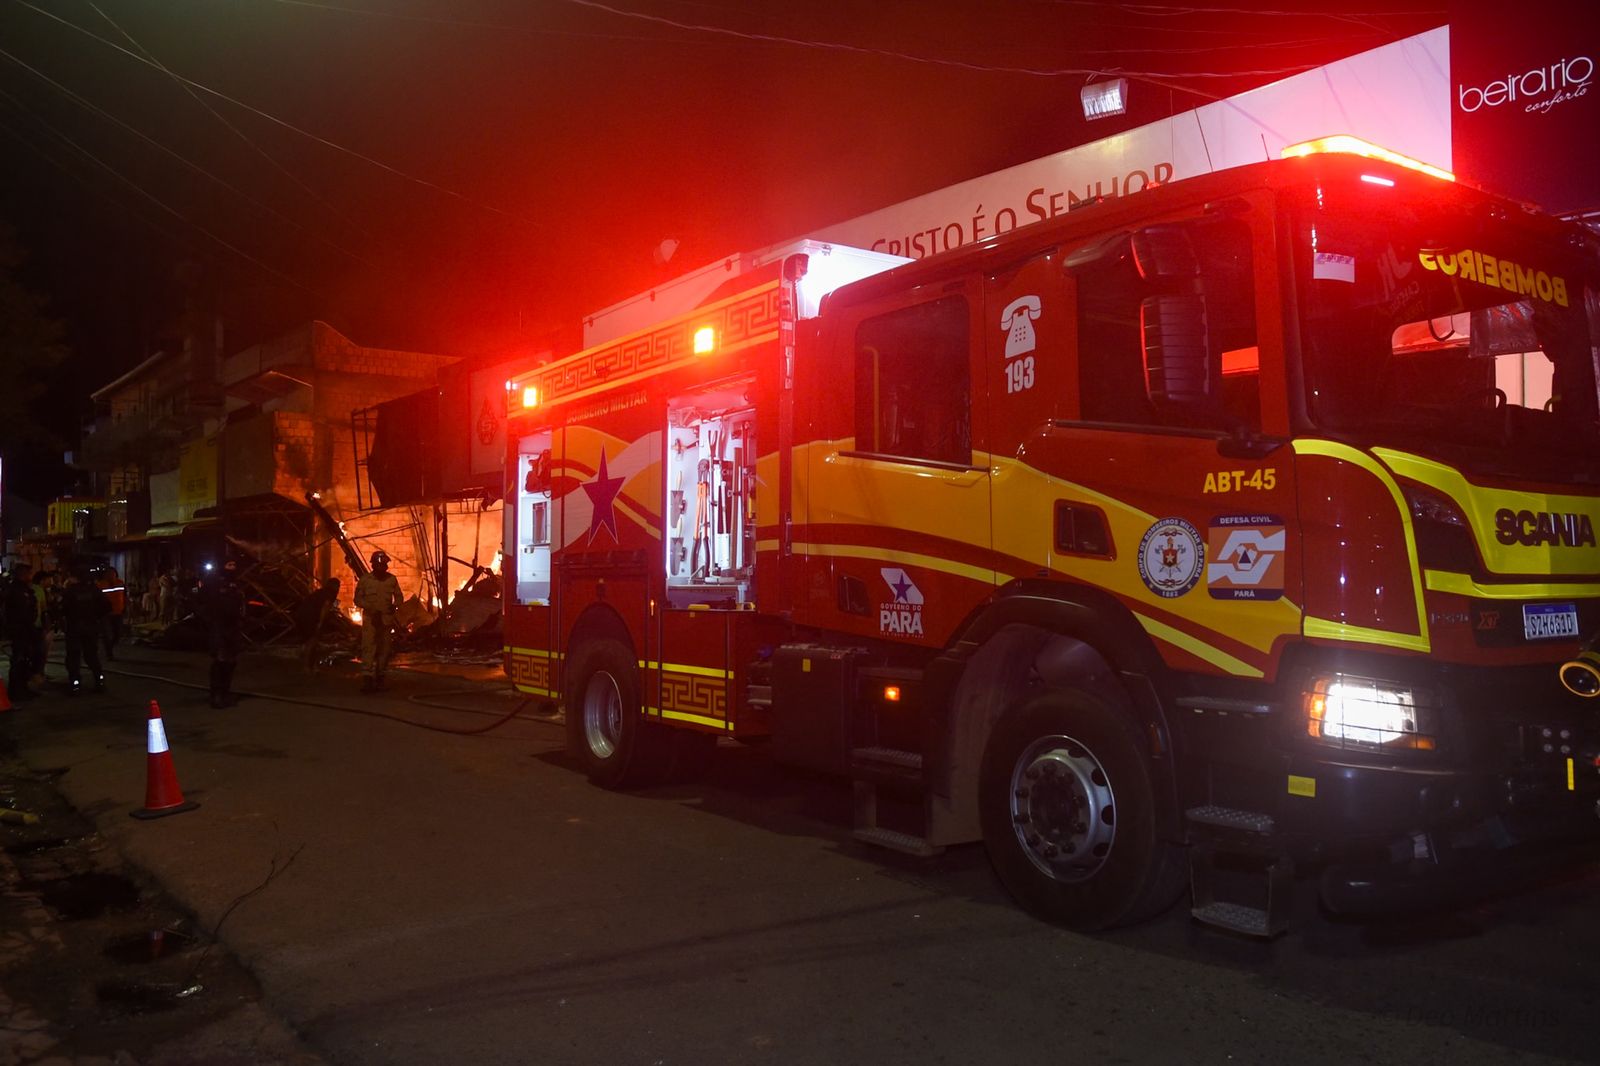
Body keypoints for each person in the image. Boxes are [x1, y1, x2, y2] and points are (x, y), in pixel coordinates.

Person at [354, 550, 403, 692]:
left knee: (384, 650)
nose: (383, 568)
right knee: (368, 648)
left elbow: (399, 597)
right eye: (380, 565)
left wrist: (395, 606)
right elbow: (357, 599)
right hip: (370, 620)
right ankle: (367, 679)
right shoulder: (365, 580)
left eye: (385, 565)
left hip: (386, 620)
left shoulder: (391, 580)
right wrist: (370, 608)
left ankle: (380, 677)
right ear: (373, 565)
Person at [200, 559, 247, 708]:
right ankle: (216, 694)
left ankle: (226, 692)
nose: (232, 568)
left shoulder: (236, 585)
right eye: (229, 565)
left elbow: (240, 604)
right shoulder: (215, 583)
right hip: (219, 626)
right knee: (220, 661)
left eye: (234, 565)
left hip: (233, 627)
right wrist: (210, 620)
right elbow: (206, 602)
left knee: (231, 661)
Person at [61, 566, 109, 695]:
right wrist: (96, 617)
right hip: (91, 627)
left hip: (74, 628)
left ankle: (75, 683)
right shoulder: (94, 590)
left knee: (73, 656)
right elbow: (106, 606)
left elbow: (63, 608)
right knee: (91, 655)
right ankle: (99, 680)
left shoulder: (70, 591)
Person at [4, 563, 39, 701]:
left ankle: (23, 687)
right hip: (20, 629)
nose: (31, 576)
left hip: (25, 629)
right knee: (19, 659)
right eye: (28, 573)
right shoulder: (16, 590)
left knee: (25, 659)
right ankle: (15, 691)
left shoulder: (24, 589)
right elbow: (20, 612)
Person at [293, 576, 341, 673]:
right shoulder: (330, 593)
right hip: (310, 617)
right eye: (338, 586)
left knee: (311, 642)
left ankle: (312, 665)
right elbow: (325, 607)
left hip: (302, 615)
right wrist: (320, 622)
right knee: (312, 642)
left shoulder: (320, 592)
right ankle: (307, 666)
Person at [96, 565, 127, 660]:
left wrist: (126, 607)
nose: (111, 575)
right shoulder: (100, 585)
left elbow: (125, 596)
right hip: (106, 614)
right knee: (107, 634)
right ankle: (109, 653)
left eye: (112, 573)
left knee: (118, 634)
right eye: (109, 573)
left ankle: (110, 647)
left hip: (118, 612)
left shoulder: (120, 583)